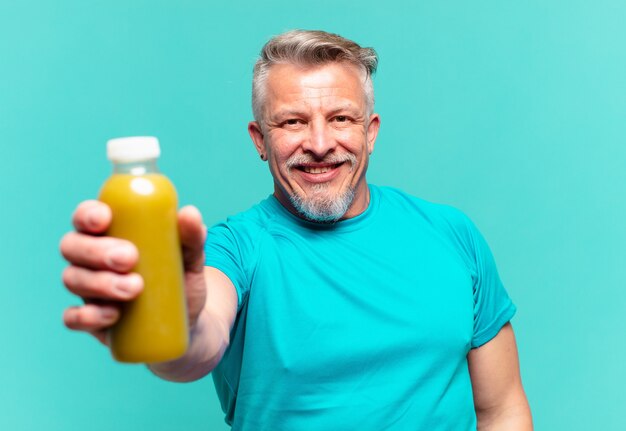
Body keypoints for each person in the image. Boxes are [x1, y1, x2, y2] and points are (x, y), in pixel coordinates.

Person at [60, 30, 533, 430]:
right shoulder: (235, 248)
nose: (321, 144)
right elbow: (195, 348)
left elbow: (502, 406)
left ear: (370, 131)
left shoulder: (452, 234)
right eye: (292, 122)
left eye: (341, 118)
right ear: (260, 140)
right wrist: (173, 322)